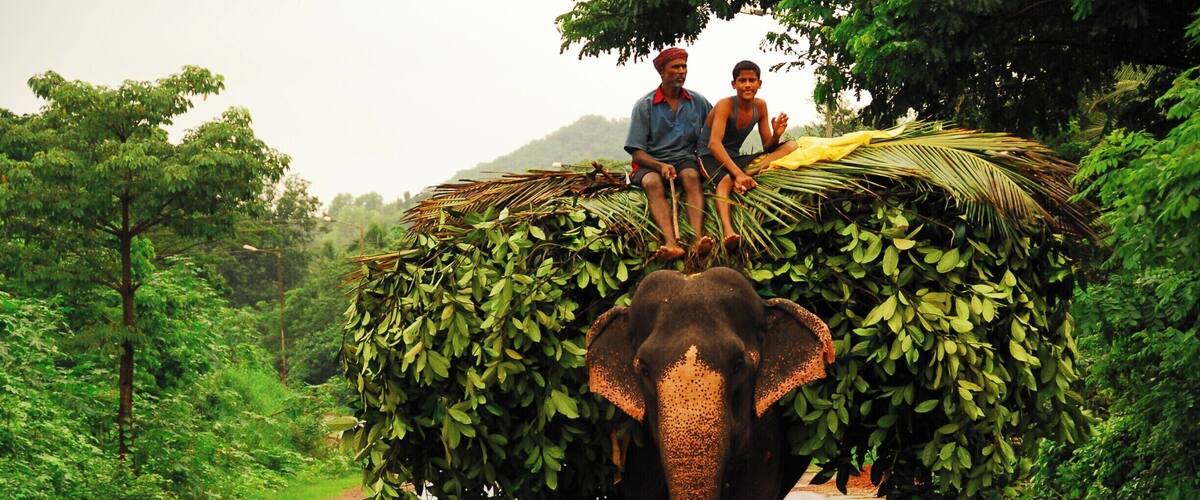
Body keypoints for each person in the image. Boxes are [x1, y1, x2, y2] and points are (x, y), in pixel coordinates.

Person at [625, 47, 714, 261]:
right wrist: (659, 165)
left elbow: (715, 130)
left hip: (685, 160)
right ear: (662, 72)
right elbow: (637, 152)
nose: (681, 71)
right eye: (676, 67)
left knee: (691, 177)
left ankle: (697, 239)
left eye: (684, 66)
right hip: (650, 163)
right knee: (653, 183)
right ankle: (671, 243)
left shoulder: (698, 102)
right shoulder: (645, 106)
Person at [700, 60, 799, 251]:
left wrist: (777, 133)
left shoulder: (760, 106)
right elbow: (713, 144)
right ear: (733, 84)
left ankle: (749, 173)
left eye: (752, 80)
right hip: (709, 156)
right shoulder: (725, 105)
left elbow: (768, 146)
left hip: (734, 158)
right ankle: (728, 231)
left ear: (759, 84)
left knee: (791, 145)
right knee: (726, 180)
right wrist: (738, 174)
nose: (747, 85)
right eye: (742, 80)